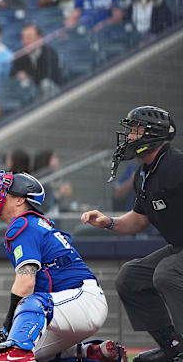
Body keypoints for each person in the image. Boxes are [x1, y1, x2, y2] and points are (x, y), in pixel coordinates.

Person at [0, 171, 126, 362]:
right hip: (71, 305)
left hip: (81, 299)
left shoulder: (23, 224)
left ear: (20, 200)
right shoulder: (33, 223)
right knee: (11, 353)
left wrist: (8, 327)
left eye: (3, 191)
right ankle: (91, 354)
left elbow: (25, 284)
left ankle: (18, 356)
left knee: (28, 307)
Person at [81, 106, 183, 362]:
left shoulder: (177, 165)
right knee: (131, 277)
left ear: (152, 134)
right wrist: (108, 222)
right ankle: (173, 348)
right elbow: (139, 219)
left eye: (135, 131)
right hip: (179, 247)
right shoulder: (144, 174)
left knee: (167, 272)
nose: (129, 138)